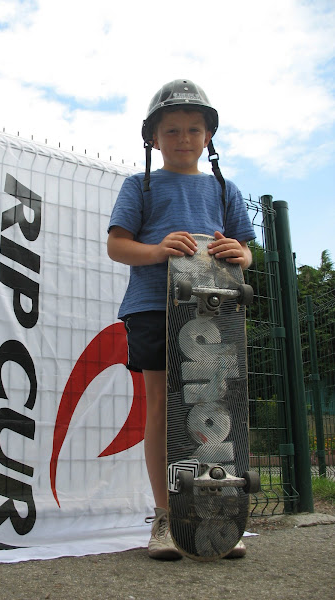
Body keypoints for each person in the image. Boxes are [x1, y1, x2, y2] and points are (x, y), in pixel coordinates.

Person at [107, 79, 256, 560]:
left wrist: (241, 254)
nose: (184, 138)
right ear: (153, 137)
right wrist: (156, 250)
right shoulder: (140, 185)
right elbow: (117, 245)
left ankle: (212, 518)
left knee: (215, 409)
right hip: (153, 306)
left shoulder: (224, 188)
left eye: (194, 129)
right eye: (171, 130)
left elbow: (248, 250)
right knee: (163, 409)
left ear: (209, 137)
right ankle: (167, 519)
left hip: (215, 309)